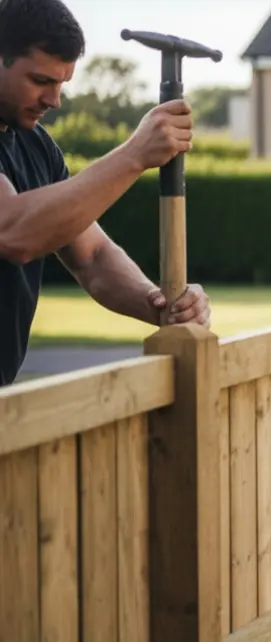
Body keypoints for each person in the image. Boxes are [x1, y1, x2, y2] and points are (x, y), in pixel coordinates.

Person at [0, 0, 211, 386]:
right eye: (41, 81)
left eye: (62, 83)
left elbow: (93, 258)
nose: (55, 100)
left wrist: (161, 304)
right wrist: (134, 154)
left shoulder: (37, 147)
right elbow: (13, 232)